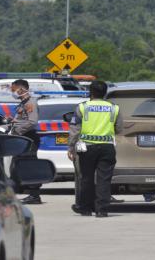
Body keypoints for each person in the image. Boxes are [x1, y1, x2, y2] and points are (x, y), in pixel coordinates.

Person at [68, 81, 122, 217]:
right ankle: (102, 210)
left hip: (86, 147)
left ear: (90, 92)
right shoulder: (114, 108)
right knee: (104, 179)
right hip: (107, 147)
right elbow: (119, 128)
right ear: (105, 93)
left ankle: (85, 208)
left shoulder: (82, 107)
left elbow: (75, 130)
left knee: (86, 178)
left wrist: (71, 147)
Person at [9, 79, 42, 204]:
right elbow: (23, 119)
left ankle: (34, 195)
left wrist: (17, 129)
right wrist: (13, 121)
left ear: (21, 89)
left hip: (28, 138)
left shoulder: (30, 103)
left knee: (30, 166)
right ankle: (18, 193)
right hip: (22, 138)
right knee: (16, 166)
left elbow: (32, 122)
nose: (12, 92)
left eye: (13, 89)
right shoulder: (23, 103)